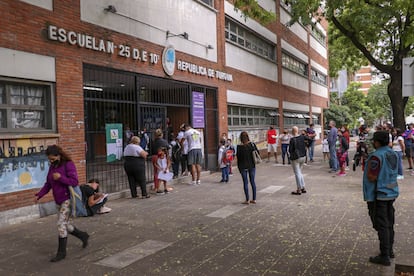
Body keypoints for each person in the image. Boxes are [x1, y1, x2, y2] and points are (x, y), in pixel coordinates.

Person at [34, 145, 89, 262]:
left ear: (59, 155)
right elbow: (48, 183)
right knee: (65, 225)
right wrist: (39, 195)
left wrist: (60, 177)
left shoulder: (68, 164)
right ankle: (83, 235)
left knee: (60, 224)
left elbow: (74, 182)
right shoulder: (52, 167)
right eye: (49, 159)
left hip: (67, 198)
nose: (51, 161)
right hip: (58, 200)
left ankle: (61, 252)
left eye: (53, 159)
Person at [363, 131, 399, 266]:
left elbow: (372, 177)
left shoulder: (376, 156)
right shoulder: (394, 153)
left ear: (376, 142)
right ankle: (389, 251)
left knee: (381, 225)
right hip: (392, 192)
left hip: (379, 194)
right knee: (389, 223)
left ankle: (384, 256)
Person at [236, 131, 257, 204]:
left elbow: (238, 158)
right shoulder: (252, 144)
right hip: (252, 165)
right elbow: (257, 154)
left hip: (243, 166)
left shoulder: (239, 147)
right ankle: (254, 199)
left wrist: (239, 168)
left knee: (245, 183)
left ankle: (247, 199)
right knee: (252, 182)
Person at [289, 126, 307, 195]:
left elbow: (290, 150)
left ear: (293, 131)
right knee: (300, 172)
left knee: (297, 173)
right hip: (303, 156)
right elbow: (310, 140)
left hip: (296, 158)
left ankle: (299, 189)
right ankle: (303, 187)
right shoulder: (302, 137)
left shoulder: (292, 139)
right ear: (298, 131)